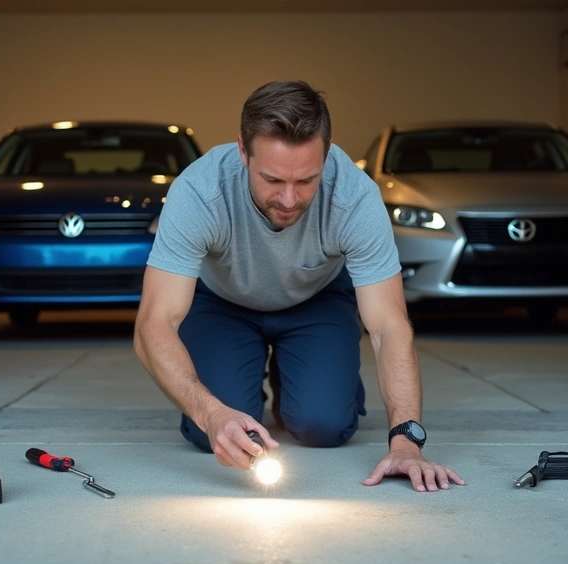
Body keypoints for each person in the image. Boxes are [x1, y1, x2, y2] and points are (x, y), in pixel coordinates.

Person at [133, 80, 465, 492]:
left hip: (317, 299)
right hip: (222, 303)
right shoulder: (199, 192)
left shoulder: (355, 196)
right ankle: (244, 375)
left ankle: (299, 372)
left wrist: (407, 441)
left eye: (306, 180)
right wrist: (211, 413)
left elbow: (388, 325)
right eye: (273, 179)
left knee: (324, 426)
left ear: (327, 154)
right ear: (242, 151)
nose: (289, 199)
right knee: (212, 435)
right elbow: (154, 324)